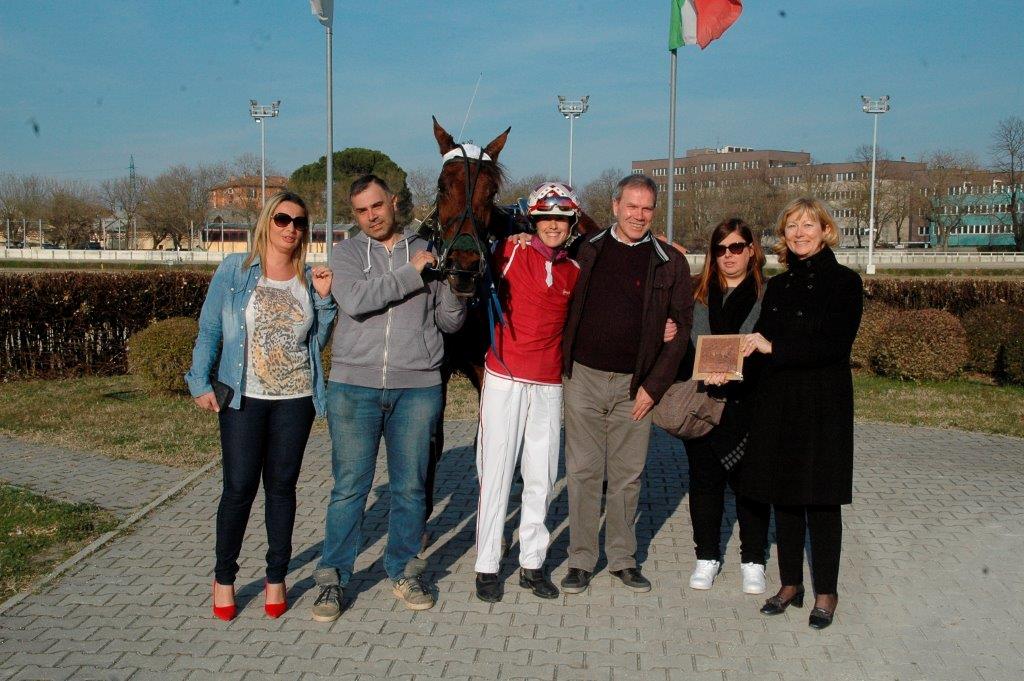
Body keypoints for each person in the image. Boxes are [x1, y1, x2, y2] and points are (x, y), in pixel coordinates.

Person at [311, 174, 466, 621]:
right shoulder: (346, 254)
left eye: (377, 206)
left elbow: (449, 322)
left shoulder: (429, 248)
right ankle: (333, 578)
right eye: (361, 211)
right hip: (353, 387)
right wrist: (412, 272)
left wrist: (458, 288)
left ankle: (404, 570)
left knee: (410, 488)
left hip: (417, 387)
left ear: (393, 202)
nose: (371, 217)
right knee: (349, 488)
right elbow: (358, 300)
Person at [186, 191, 337, 621]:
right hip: (244, 398)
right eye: (283, 219)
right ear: (268, 221)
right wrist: (199, 380)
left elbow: (318, 342)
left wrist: (325, 300)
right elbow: (210, 329)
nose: (291, 229)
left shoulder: (308, 278)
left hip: (296, 400)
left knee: (282, 489)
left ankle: (276, 576)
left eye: (300, 222)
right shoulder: (235, 269)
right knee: (238, 489)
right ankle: (224, 578)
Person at [560, 174, 693, 594]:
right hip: (583, 377)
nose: (638, 215)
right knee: (583, 471)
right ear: (615, 206)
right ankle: (581, 560)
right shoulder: (585, 248)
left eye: (647, 208)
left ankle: (622, 559)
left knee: (627, 476)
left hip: (635, 387)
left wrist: (654, 386)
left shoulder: (671, 262)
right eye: (631, 206)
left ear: (654, 212)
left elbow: (682, 331)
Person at [740, 197, 862, 630]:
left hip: (823, 404)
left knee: (823, 501)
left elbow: (834, 345)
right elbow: (762, 344)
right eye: (792, 226)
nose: (799, 233)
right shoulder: (778, 286)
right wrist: (732, 362)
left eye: (808, 225)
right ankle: (790, 583)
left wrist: (774, 347)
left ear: (825, 230)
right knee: (785, 496)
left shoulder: (845, 282)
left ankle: (827, 591)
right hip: (780, 402)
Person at [473, 182, 582, 603]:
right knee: (497, 472)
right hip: (505, 377)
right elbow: (472, 233)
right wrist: (511, 234)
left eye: (561, 219)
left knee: (542, 476)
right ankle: (486, 565)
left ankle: (532, 563)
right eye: (546, 218)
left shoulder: (574, 270)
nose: (553, 226)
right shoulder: (508, 250)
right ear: (533, 221)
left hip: (548, 384)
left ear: (571, 224)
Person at [681, 219, 771, 594]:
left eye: (736, 247)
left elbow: (772, 344)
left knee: (751, 485)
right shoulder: (697, 294)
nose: (728, 256)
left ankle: (753, 559)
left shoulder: (767, 294)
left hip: (750, 401)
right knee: (705, 483)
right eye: (720, 249)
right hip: (706, 400)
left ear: (751, 250)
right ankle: (707, 556)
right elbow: (685, 344)